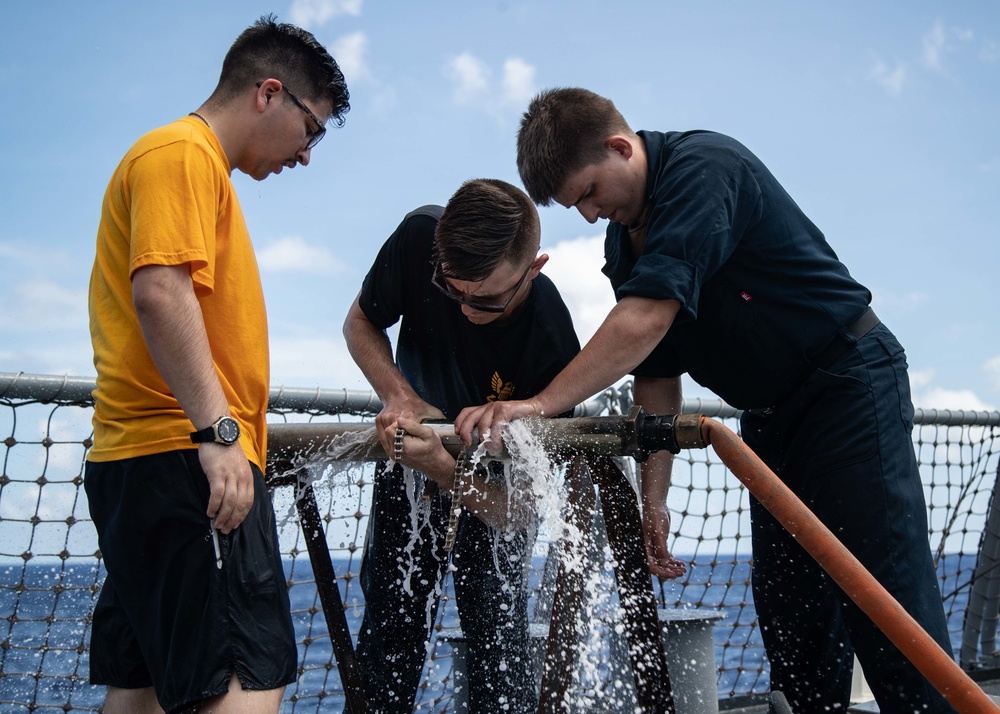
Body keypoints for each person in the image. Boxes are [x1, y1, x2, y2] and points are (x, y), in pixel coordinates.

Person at [454, 87, 956, 714]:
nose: (586, 215)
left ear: (619, 147)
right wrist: (655, 500)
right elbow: (657, 377)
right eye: (571, 206)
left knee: (885, 603)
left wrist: (539, 405)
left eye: (586, 193)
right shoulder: (621, 242)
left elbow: (645, 321)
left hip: (848, 387)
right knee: (791, 614)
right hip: (769, 419)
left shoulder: (703, 169)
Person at [84, 16, 349, 714]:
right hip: (186, 462)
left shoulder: (187, 163)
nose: (307, 154)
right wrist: (219, 434)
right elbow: (161, 291)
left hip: (145, 468)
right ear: (269, 93)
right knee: (245, 686)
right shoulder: (181, 154)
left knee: (138, 695)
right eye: (312, 129)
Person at [343, 178, 581, 713]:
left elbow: (518, 512)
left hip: (494, 489)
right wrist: (400, 396)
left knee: (500, 649)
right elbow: (360, 321)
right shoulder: (418, 237)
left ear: (534, 269)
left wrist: (443, 470)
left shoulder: (554, 342)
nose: (467, 308)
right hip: (407, 465)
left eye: (489, 299)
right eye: (453, 290)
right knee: (389, 638)